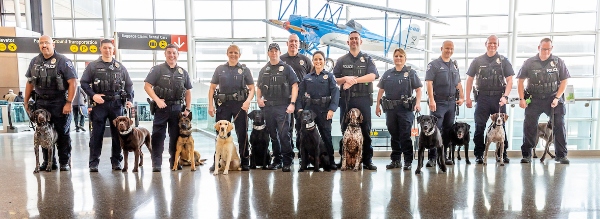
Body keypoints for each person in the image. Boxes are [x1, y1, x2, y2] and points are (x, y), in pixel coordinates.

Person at [24, 35, 78, 171]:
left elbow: (73, 82)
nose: (44, 45)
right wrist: (25, 102)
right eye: (41, 43)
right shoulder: (34, 61)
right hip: (41, 103)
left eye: (46, 43)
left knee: (62, 133)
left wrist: (69, 102)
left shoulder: (63, 61)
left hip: (60, 102)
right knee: (43, 133)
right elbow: (30, 83)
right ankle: (49, 162)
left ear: (53, 45)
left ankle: (64, 162)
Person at [80, 39, 133, 172]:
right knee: (96, 135)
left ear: (113, 49)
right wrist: (93, 95)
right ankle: (93, 163)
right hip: (100, 105)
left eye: (110, 48)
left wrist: (129, 99)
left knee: (118, 135)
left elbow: (129, 85)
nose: (107, 50)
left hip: (116, 104)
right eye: (105, 48)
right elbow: (84, 83)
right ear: (100, 49)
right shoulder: (92, 66)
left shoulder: (120, 67)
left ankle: (116, 161)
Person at [517, 38, 570, 164]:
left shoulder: (558, 62)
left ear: (551, 48)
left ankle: (561, 155)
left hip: (552, 99)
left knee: (559, 125)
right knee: (529, 126)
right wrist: (521, 98)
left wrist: (557, 98)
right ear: (538, 48)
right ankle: (527, 155)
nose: (546, 51)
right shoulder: (529, 62)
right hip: (534, 99)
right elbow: (520, 81)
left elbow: (564, 81)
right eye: (543, 48)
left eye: (548, 49)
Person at [333, 31, 379, 170]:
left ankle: (367, 160)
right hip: (346, 99)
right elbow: (334, 79)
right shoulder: (341, 60)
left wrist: (354, 81)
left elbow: (373, 76)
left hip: (363, 99)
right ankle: (344, 159)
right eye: (351, 39)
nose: (354, 41)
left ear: (360, 42)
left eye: (356, 39)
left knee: (366, 129)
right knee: (344, 129)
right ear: (348, 42)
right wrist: (345, 79)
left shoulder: (367, 59)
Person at [465, 35, 514, 164]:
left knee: (500, 126)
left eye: (495, 43)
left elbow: (510, 80)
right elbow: (469, 79)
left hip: (499, 97)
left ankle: (502, 154)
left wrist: (505, 96)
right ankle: (479, 155)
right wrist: (467, 97)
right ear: (485, 44)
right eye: (490, 43)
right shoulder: (477, 61)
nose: (492, 45)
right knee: (479, 127)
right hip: (482, 98)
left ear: (498, 45)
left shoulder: (504, 61)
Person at [144, 44, 193, 172]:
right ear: (165, 54)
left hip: (177, 109)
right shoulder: (157, 69)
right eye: (169, 52)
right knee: (158, 136)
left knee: (175, 136)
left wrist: (187, 108)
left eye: (174, 53)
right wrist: (157, 100)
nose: (172, 55)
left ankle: (174, 162)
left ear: (178, 55)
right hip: (161, 108)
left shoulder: (183, 72)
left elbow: (188, 91)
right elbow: (147, 86)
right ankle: (156, 163)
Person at [208, 44, 255, 171]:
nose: (233, 55)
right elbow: (212, 88)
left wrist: (248, 101)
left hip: (240, 105)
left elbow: (252, 88)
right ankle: (217, 162)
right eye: (231, 52)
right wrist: (210, 105)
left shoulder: (245, 70)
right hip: (223, 105)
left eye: (235, 52)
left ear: (239, 55)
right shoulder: (220, 69)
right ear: (227, 54)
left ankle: (245, 161)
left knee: (242, 134)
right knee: (219, 134)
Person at [375, 48, 422, 170]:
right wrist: (377, 105)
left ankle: (408, 161)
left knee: (405, 135)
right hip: (390, 109)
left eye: (401, 56)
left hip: (405, 109)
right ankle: (395, 160)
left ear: (405, 58)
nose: (398, 58)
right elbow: (381, 90)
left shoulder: (411, 73)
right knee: (394, 134)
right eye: (396, 56)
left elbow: (418, 90)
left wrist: (417, 103)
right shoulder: (388, 73)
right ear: (393, 58)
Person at [256, 43, 299, 172]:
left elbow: (295, 85)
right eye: (271, 51)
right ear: (268, 53)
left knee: (284, 134)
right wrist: (258, 99)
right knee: (273, 135)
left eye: (276, 51)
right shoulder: (264, 70)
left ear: (280, 53)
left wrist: (292, 103)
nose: (274, 53)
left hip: (283, 106)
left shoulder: (287, 68)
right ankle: (277, 160)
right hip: (268, 107)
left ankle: (287, 160)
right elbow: (259, 86)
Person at [296, 50, 339, 170]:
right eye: (316, 59)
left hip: (324, 111)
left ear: (324, 61)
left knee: (326, 136)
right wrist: (299, 108)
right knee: (304, 137)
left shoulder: (329, 77)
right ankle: (304, 162)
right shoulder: (307, 77)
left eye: (320, 59)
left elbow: (335, 93)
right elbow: (300, 94)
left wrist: (332, 109)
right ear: (313, 61)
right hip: (310, 112)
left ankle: (330, 161)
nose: (318, 61)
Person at [425, 40, 464, 168]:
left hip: (451, 103)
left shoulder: (454, 66)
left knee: (447, 130)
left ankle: (444, 156)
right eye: (447, 48)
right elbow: (429, 83)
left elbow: (458, 83)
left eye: (451, 48)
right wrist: (431, 100)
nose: (449, 51)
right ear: (441, 48)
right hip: (438, 102)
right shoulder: (434, 65)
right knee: (434, 130)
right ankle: (432, 157)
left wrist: (462, 96)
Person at [280, 34, 313, 154]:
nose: (293, 43)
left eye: (296, 41)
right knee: (286, 129)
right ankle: (287, 156)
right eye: (291, 41)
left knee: (301, 128)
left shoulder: (305, 60)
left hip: (301, 100)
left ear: (299, 44)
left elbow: (312, 77)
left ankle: (301, 155)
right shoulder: (280, 59)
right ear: (287, 43)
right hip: (285, 100)